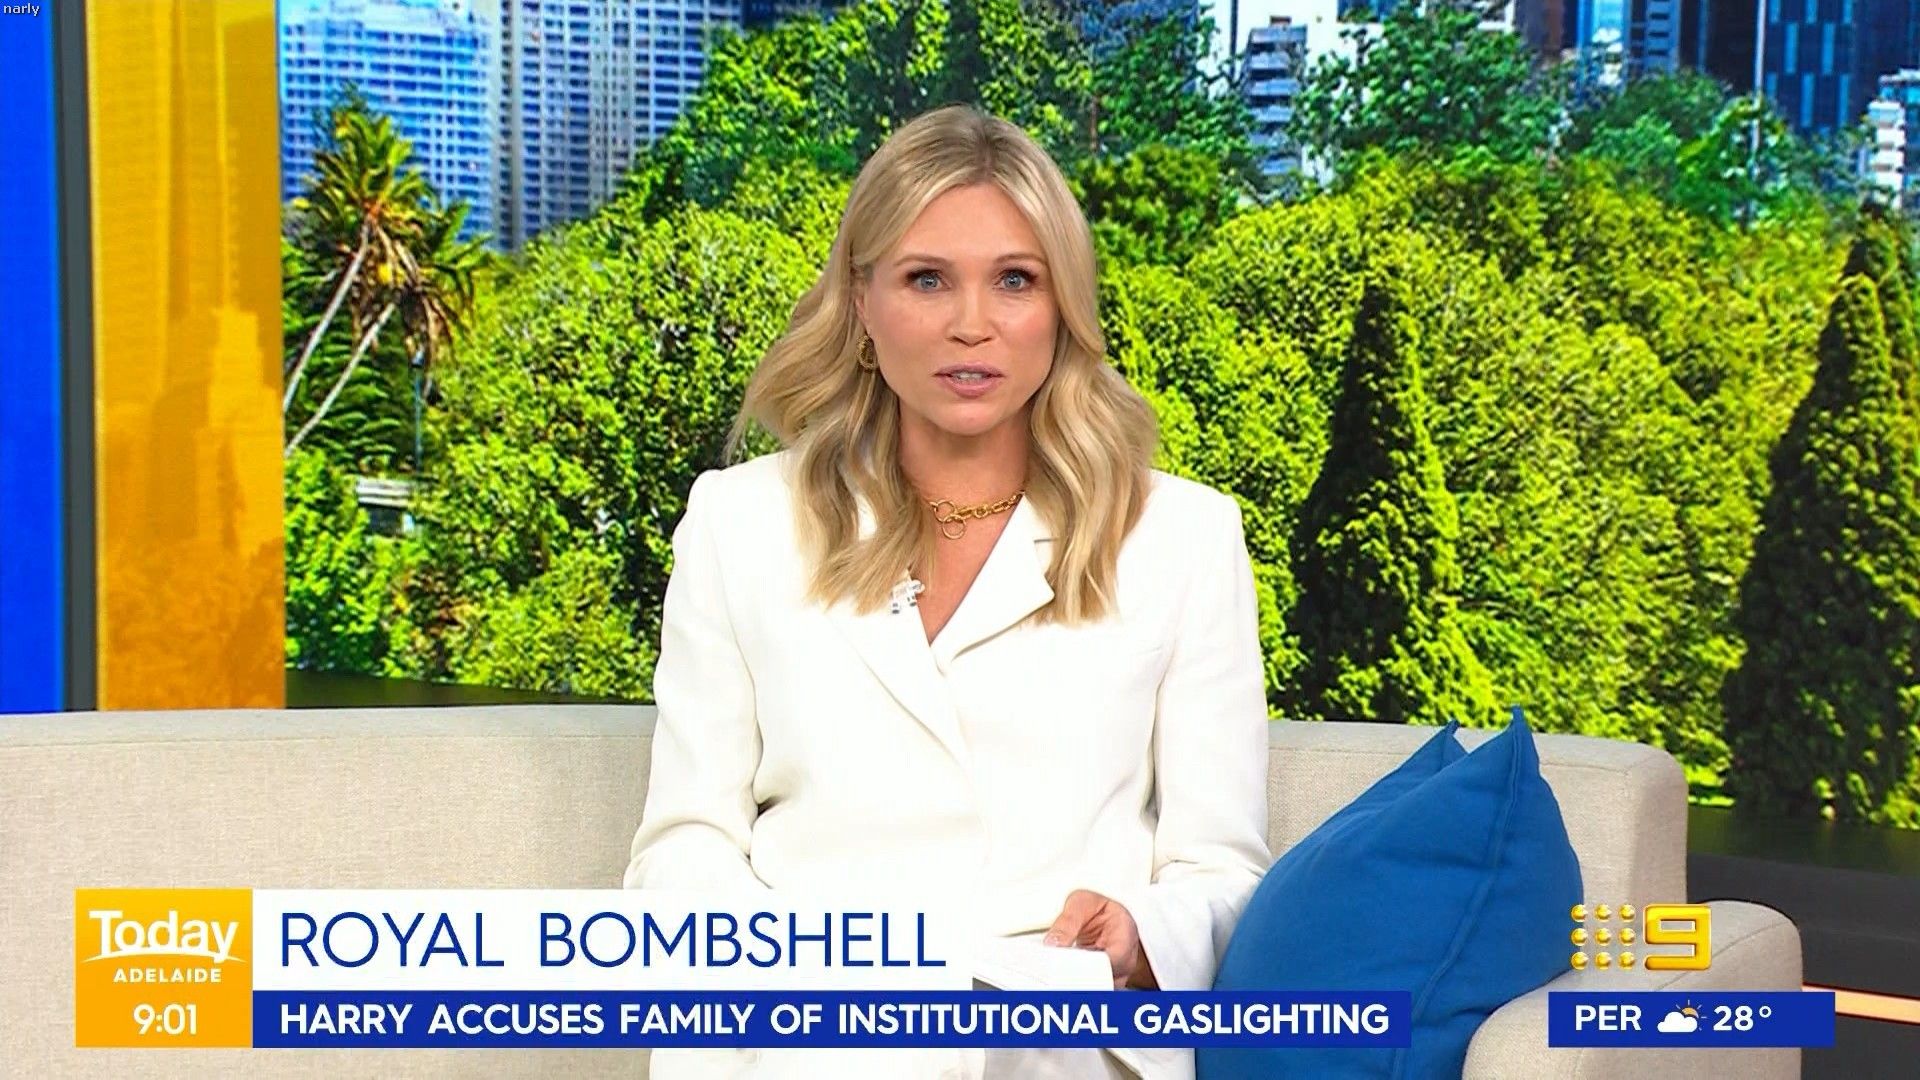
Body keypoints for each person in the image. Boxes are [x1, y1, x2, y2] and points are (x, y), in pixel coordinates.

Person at [623, 103, 1270, 1080]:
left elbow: (1220, 869)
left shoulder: (1181, 536)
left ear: (1062, 306)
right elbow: (685, 844)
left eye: (1015, 280)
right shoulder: (738, 522)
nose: (973, 323)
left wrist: (1144, 935)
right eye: (927, 279)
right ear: (862, 300)